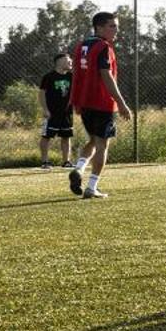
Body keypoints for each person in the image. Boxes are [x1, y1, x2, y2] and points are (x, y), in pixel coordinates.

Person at [67, 10, 132, 199]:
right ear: (99, 27)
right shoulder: (103, 46)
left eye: (116, 26)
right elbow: (106, 75)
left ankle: (78, 169)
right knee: (103, 144)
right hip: (102, 102)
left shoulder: (82, 46)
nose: (116, 30)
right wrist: (121, 102)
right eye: (112, 26)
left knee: (94, 140)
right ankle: (92, 186)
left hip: (85, 102)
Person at [39, 52, 75, 168]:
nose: (71, 62)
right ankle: (45, 162)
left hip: (67, 113)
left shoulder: (72, 76)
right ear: (60, 62)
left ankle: (66, 161)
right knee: (46, 136)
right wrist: (45, 109)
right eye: (68, 60)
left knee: (66, 136)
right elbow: (41, 94)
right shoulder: (49, 77)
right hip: (52, 113)